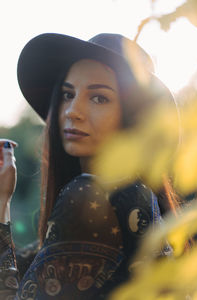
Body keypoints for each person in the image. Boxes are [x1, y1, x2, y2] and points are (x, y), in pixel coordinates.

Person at [0, 33, 178, 299]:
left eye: (99, 98)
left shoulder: (88, 195)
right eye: (67, 94)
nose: (73, 110)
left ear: (132, 117)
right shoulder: (139, 196)